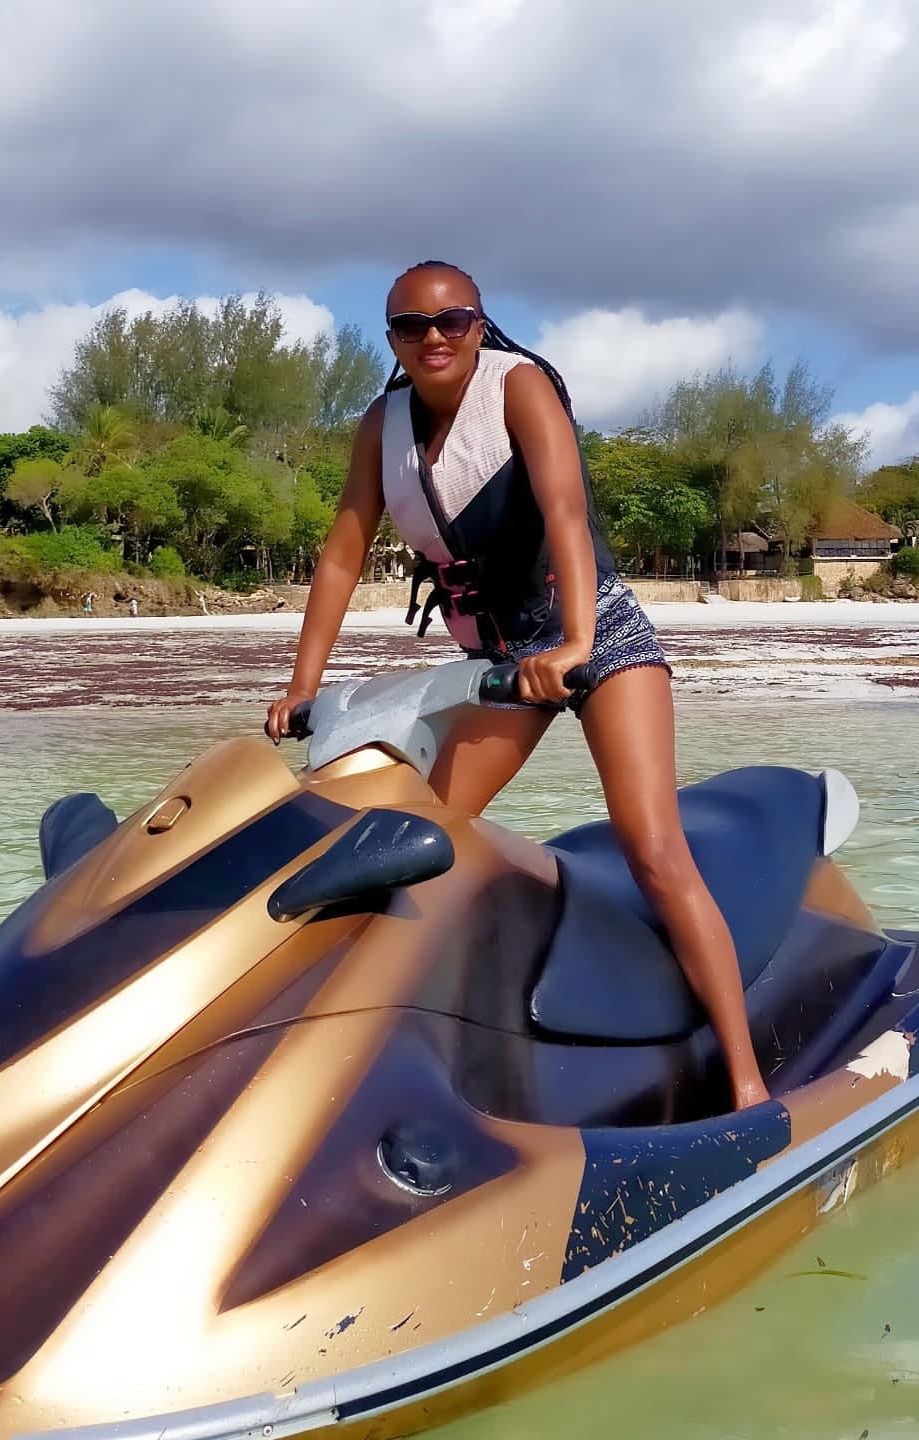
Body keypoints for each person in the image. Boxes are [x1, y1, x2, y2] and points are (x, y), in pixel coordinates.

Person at [266, 261, 769, 1111]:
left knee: (653, 849)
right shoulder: (382, 425)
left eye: (452, 321)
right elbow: (343, 551)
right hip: (503, 667)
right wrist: (301, 685)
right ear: (391, 339)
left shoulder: (520, 387)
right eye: (411, 326)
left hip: (597, 634)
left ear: (479, 324)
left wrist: (576, 641)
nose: (433, 337)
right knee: (417, 836)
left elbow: (565, 511)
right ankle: (383, 1049)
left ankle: (747, 1079)